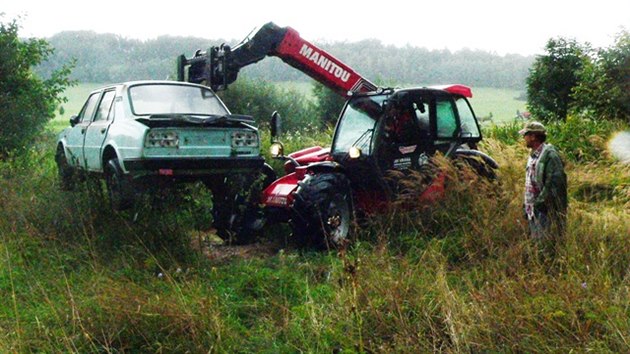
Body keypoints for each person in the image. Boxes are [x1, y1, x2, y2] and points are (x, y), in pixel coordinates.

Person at [520, 121, 568, 247]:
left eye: (525, 134)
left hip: (544, 210)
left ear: (533, 136)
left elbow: (554, 183)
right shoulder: (534, 155)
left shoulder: (550, 155)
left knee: (544, 244)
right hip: (533, 209)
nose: (523, 138)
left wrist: (540, 204)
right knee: (536, 243)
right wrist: (527, 205)